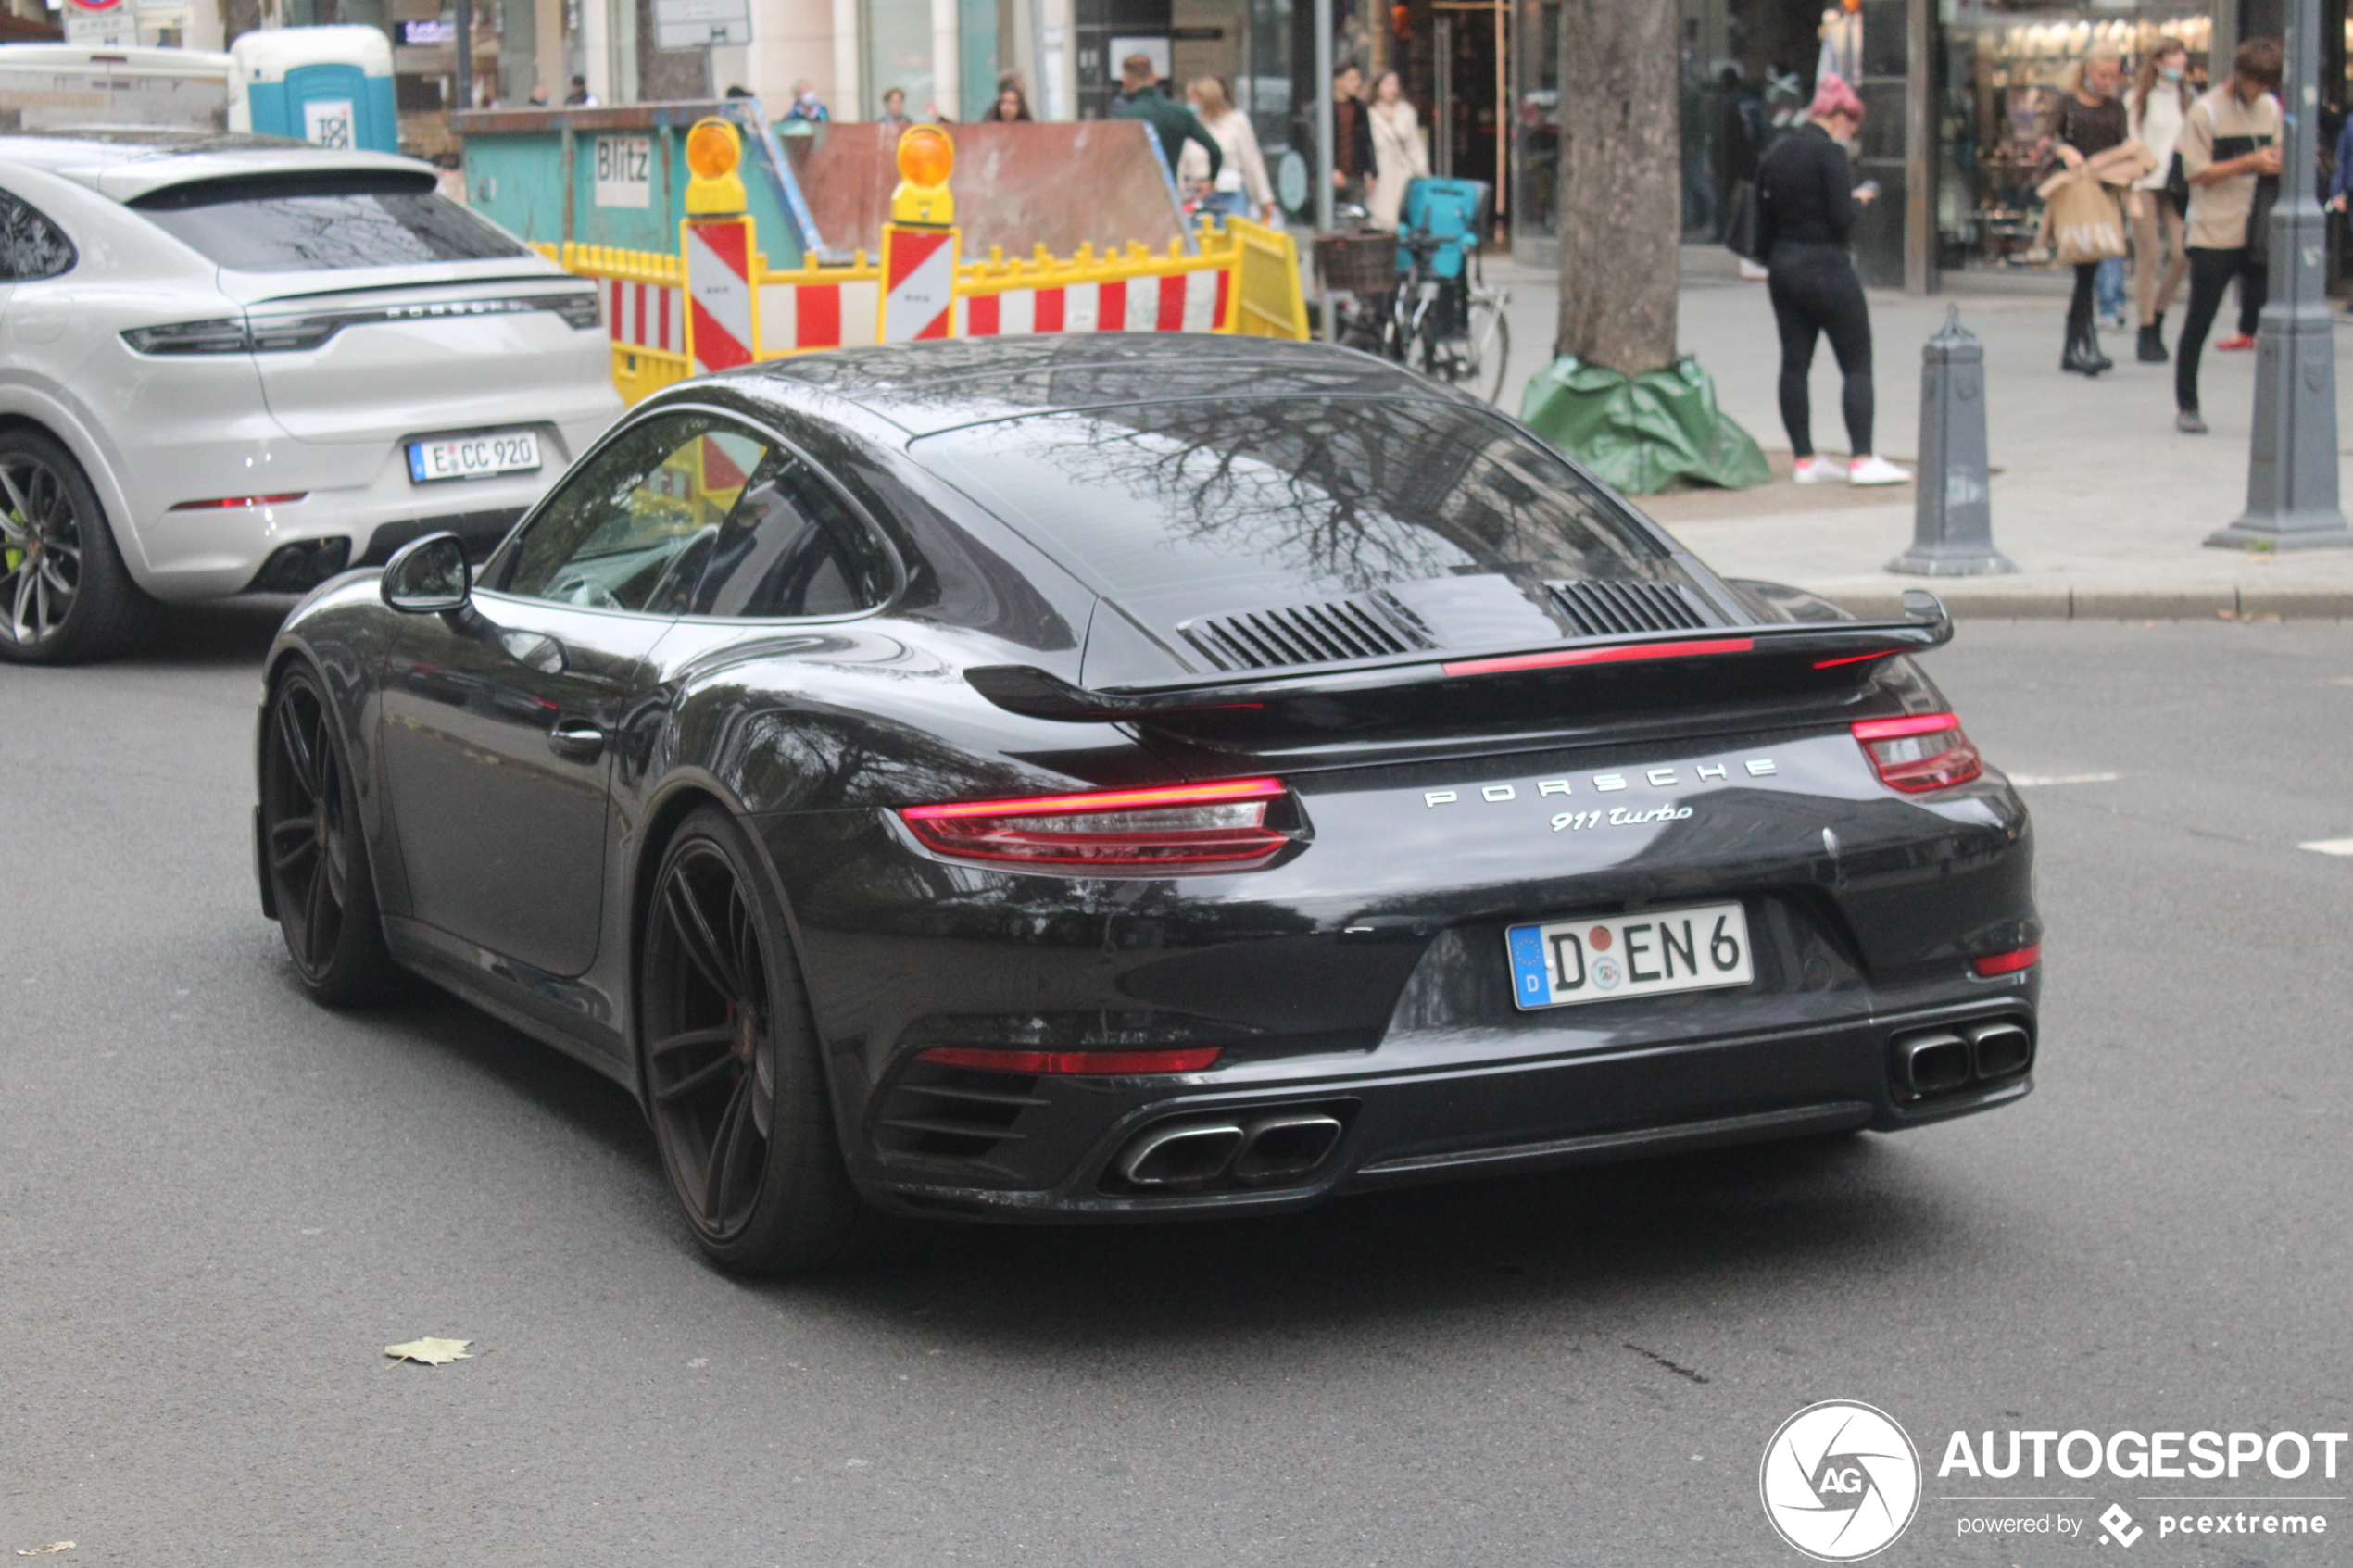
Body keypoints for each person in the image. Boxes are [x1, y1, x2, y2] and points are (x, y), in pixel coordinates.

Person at [1752, 72, 1907, 486]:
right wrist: (1860, 201)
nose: (1852, 132)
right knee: (1856, 362)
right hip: (1827, 266)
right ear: (1840, 115)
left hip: (1784, 266)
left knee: (1794, 364)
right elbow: (1843, 219)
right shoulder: (1830, 155)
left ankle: (1804, 459)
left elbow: (1761, 225)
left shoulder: (1776, 153)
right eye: (1852, 123)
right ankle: (1862, 458)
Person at [2173, 37, 2283, 434]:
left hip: (2256, 229)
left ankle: (2277, 405)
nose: (2262, 93)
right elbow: (2196, 172)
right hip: (2213, 230)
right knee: (2200, 319)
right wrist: (2248, 162)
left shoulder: (2269, 107)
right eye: (2257, 83)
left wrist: (2275, 163)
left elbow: (2280, 151)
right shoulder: (2206, 112)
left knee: (2267, 320)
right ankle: (2187, 403)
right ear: (2241, 76)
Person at [2047, 51, 2128, 375]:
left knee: (2089, 272)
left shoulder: (2116, 108)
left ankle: (2074, 347)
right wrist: (2064, 150)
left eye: (2113, 76)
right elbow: (2048, 139)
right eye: (2102, 75)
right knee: (2086, 269)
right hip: (2076, 192)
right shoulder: (2068, 104)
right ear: (2087, 73)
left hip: (2105, 190)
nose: (2108, 82)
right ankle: (2086, 345)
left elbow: (2125, 146)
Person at [2128, 39, 2194, 361]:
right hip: (2143, 182)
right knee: (2149, 253)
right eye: (2174, 58)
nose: (2180, 63)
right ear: (2157, 61)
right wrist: (2133, 190)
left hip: (2175, 184)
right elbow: (2133, 143)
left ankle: (2159, 313)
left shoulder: (2186, 99)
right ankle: (2145, 326)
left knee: (2183, 253)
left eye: (2182, 59)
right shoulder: (2139, 99)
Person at [1176, 76, 1277, 223]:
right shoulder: (1188, 124)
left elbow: (1251, 162)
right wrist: (1179, 196)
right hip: (1196, 194)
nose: (1191, 104)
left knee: (1231, 239)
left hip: (1230, 193)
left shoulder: (1237, 122)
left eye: (1194, 99)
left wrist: (1264, 199)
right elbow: (1180, 163)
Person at [1111, 54, 1222, 187]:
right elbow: (1215, 150)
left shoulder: (1122, 117)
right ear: (1155, 78)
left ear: (1126, 81)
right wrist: (1211, 180)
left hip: (1136, 196)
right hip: (1169, 195)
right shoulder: (1180, 113)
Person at [1365, 69, 1429, 229]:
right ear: (1378, 87)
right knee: (1378, 218)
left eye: (1395, 84)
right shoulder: (1368, 113)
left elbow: (1414, 145)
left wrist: (1422, 172)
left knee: (1403, 216)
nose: (1392, 89)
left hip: (1403, 172)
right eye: (1387, 84)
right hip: (1379, 172)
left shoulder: (1406, 111)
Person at [1322, 63, 1376, 207]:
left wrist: (1371, 172)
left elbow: (1367, 142)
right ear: (1338, 82)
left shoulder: (1360, 108)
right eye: (1352, 79)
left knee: (1357, 219)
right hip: (1331, 177)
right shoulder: (1323, 108)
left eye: (1358, 79)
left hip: (1355, 177)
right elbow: (1315, 145)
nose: (1357, 84)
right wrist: (1330, 169)